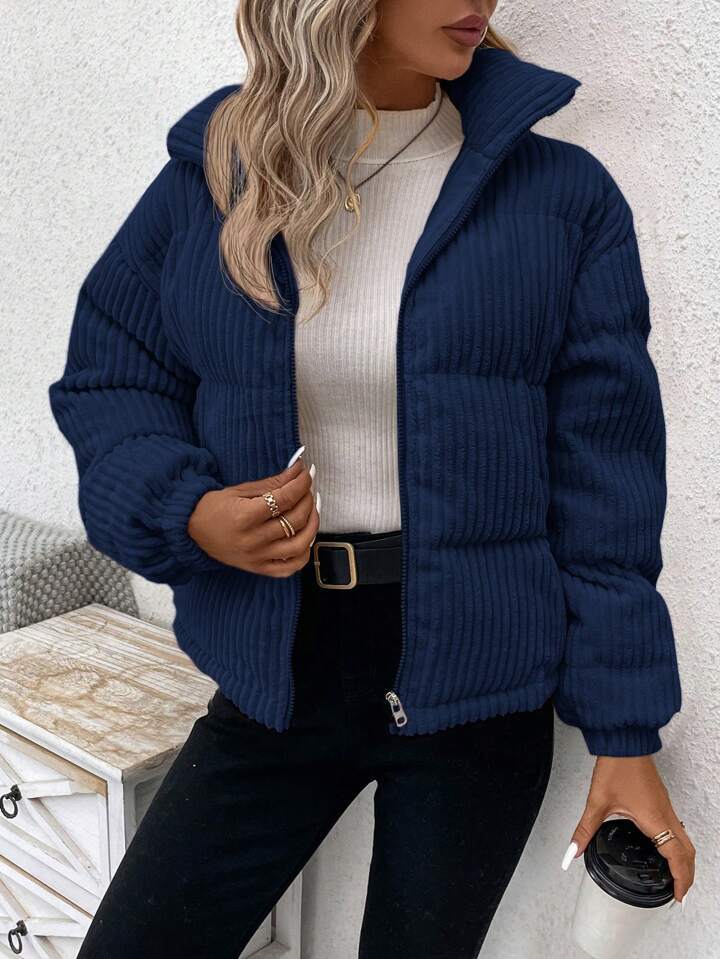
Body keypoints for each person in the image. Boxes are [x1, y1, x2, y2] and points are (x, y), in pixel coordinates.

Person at [48, 1, 695, 956]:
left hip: (480, 683)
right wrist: (185, 509)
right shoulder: (217, 180)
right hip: (281, 664)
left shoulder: (561, 199)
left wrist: (626, 732)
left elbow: (607, 480)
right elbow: (114, 380)